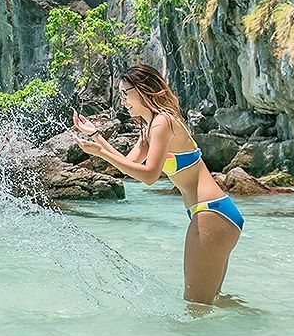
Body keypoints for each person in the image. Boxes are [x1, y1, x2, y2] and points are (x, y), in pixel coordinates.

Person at [72, 64, 244, 307]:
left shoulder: (163, 122)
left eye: (125, 94)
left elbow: (150, 176)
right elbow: (127, 164)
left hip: (210, 213)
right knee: (212, 301)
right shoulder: (151, 127)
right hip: (216, 212)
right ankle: (256, 329)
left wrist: (101, 152)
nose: (123, 101)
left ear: (143, 91)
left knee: (196, 307)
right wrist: (96, 136)